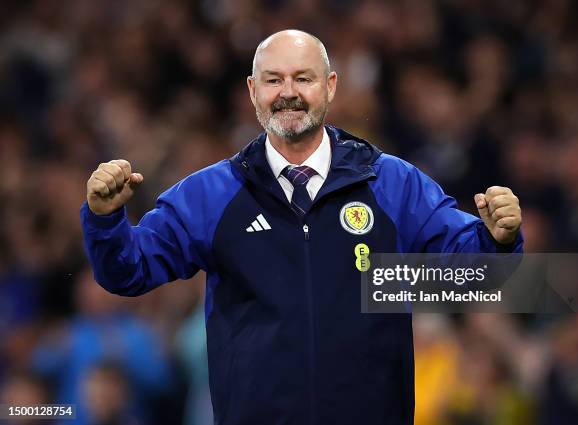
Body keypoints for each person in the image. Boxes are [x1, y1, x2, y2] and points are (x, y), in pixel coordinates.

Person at [80, 29, 522, 425]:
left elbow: (477, 276)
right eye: (273, 80)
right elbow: (128, 271)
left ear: (329, 87)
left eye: (303, 78)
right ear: (252, 91)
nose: (287, 92)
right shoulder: (209, 196)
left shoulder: (392, 183)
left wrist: (498, 240)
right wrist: (105, 220)